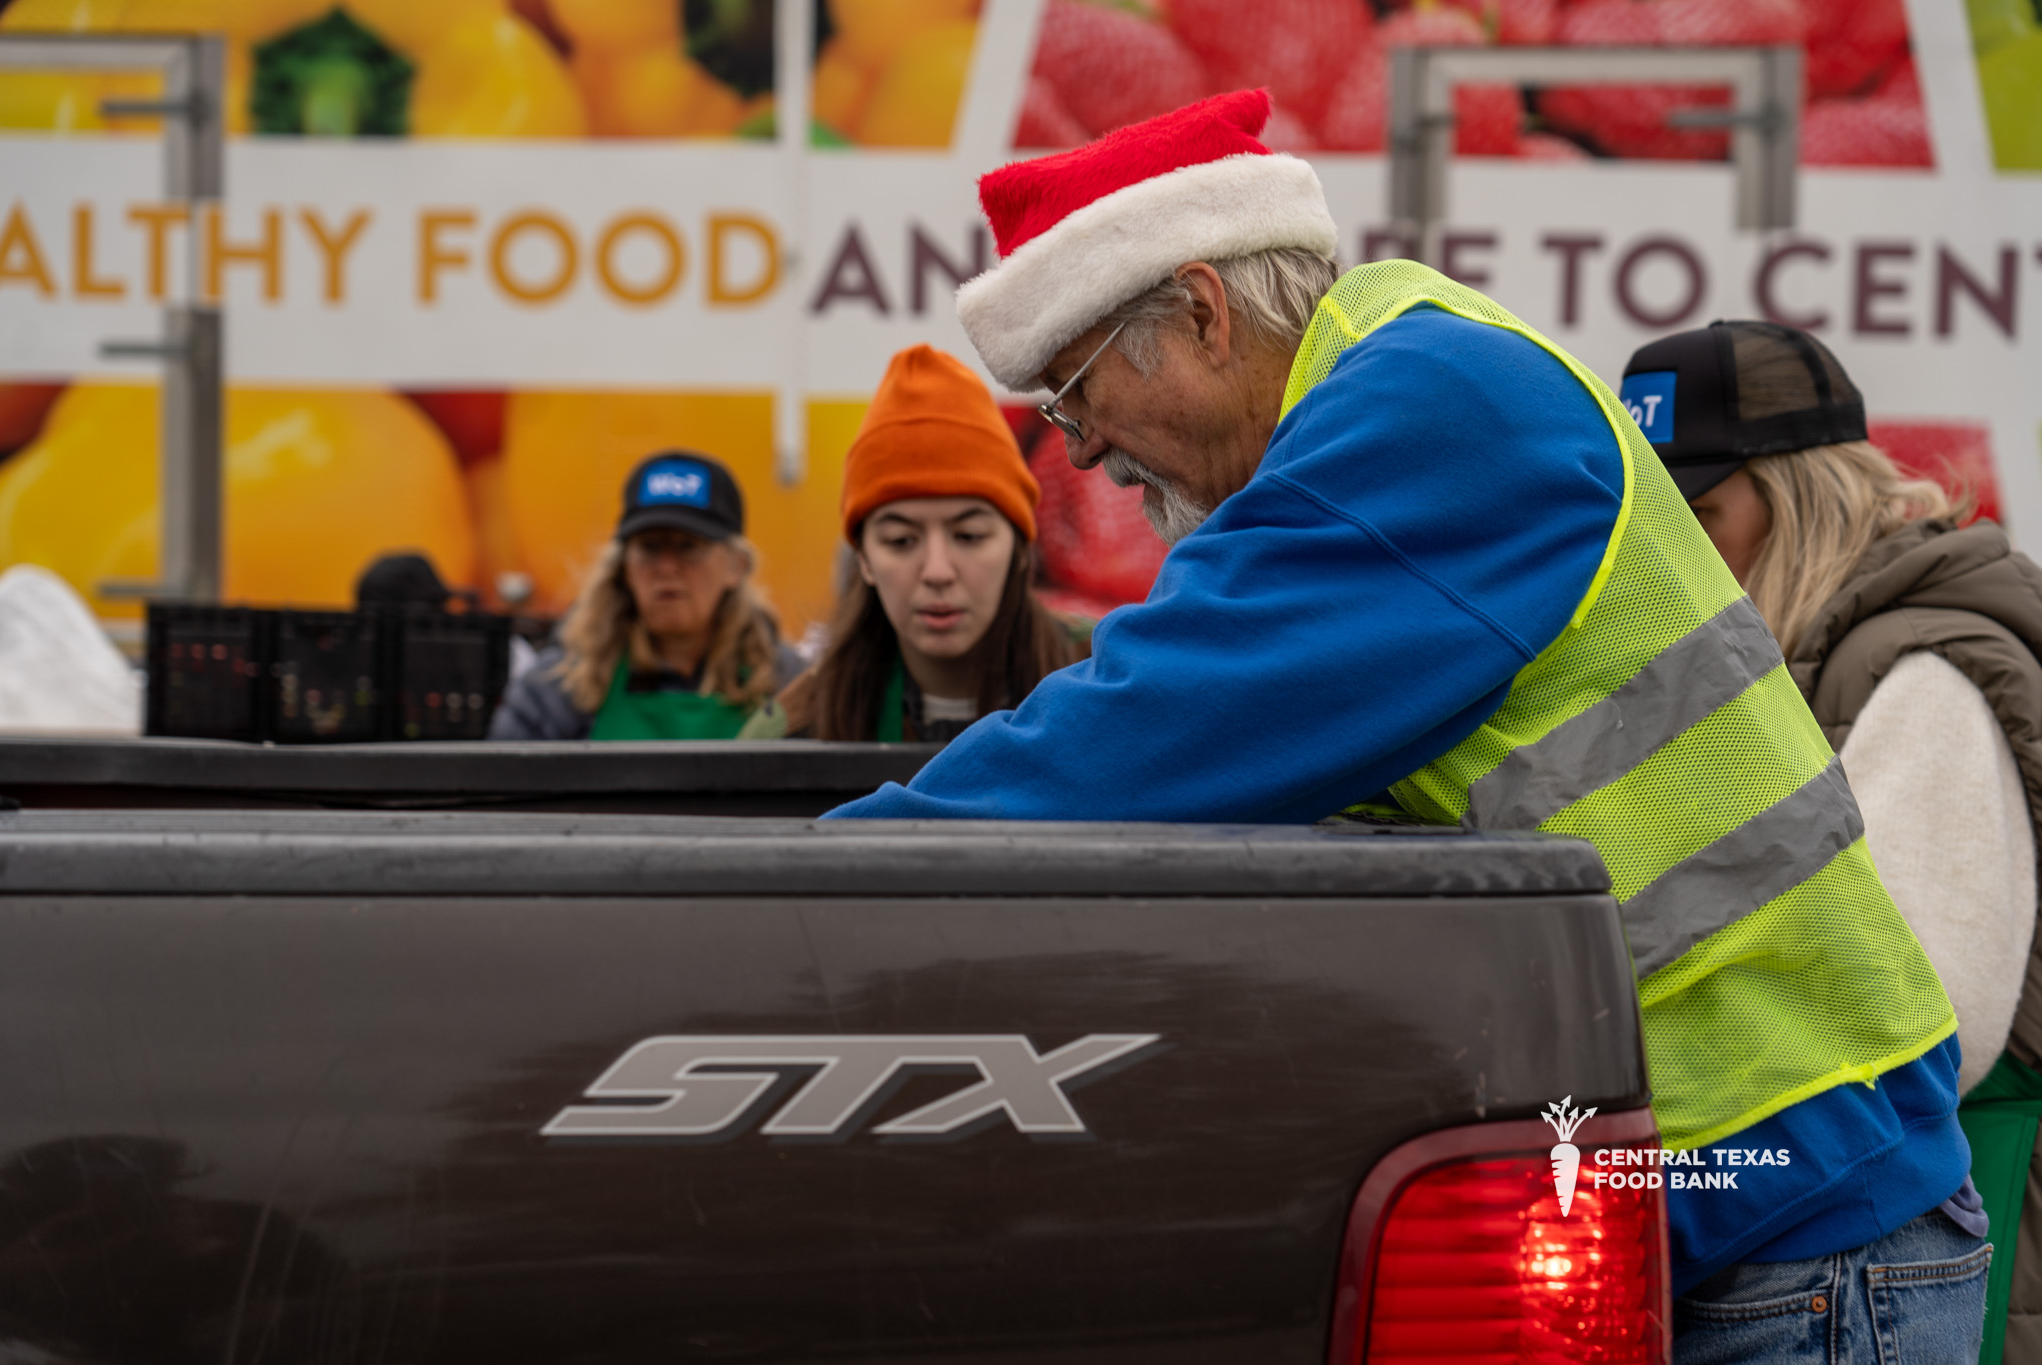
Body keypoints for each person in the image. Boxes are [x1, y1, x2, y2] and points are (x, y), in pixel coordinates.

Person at [825, 89, 1983, 1358]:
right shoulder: (1417, 371)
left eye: (1075, 393)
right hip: (1756, 1179)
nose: (1083, 453)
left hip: (1784, 1209)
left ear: (1202, 311)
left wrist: (819, 878)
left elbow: (1156, 724)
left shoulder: (1427, 413)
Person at [1625, 319, 2039, 1358]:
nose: (1667, 555)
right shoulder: (1794, 665)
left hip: (1921, 1237)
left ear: (1801, 497)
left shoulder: (1917, 675)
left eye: (1698, 514)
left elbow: (1926, 1032)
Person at [741, 346, 1087, 743]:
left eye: (969, 536)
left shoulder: (1111, 681)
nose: (937, 571)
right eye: (901, 540)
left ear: (1021, 550)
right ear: (864, 559)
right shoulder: (794, 732)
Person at [487, 451, 801, 740]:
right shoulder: (558, 686)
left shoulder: (788, 685)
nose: (666, 568)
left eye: (688, 547)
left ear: (736, 566)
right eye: (649, 547)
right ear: (624, 567)